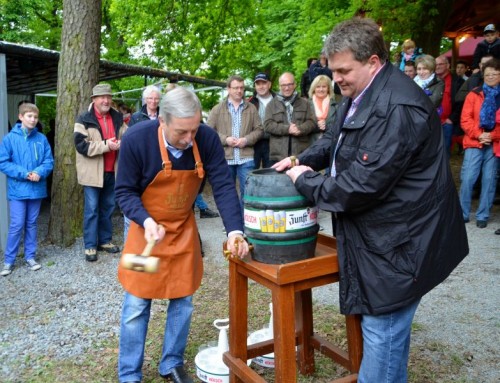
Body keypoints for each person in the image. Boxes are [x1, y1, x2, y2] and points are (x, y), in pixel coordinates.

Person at [273, 18, 468, 382]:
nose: (337, 79)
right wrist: (303, 159)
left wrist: (307, 181)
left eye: (344, 70)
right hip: (384, 241)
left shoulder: (396, 109)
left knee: (383, 332)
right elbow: (335, 140)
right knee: (387, 337)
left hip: (402, 245)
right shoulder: (358, 95)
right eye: (333, 71)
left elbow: (356, 188)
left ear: (374, 62)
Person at [115, 87, 249, 383]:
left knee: (183, 298)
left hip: (182, 230)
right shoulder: (136, 140)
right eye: (182, 132)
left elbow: (224, 186)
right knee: (137, 302)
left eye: (194, 129)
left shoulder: (206, 138)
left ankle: (171, 362)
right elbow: (124, 191)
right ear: (162, 121)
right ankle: (128, 374)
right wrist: (146, 220)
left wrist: (234, 231)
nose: (190, 139)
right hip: (144, 231)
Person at [0, 103, 54, 276]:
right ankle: (9, 260)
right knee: (16, 224)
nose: (33, 119)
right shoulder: (9, 138)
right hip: (18, 189)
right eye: (29, 116)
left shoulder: (41, 139)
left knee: (31, 224)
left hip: (36, 188)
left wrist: (39, 172)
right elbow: (3, 162)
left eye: (35, 117)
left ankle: (30, 257)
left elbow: (49, 161)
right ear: (21, 117)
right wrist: (24, 173)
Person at [74, 83, 123, 262]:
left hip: (112, 170)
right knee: (92, 210)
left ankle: (104, 240)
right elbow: (80, 145)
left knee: (108, 208)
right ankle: (90, 245)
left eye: (108, 97)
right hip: (92, 173)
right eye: (102, 97)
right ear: (94, 100)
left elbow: (126, 136)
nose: (106, 100)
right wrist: (106, 145)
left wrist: (121, 143)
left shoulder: (117, 117)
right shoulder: (83, 119)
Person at [207, 75, 263, 206]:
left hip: (246, 157)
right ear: (228, 89)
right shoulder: (217, 109)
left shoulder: (251, 108)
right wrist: (225, 139)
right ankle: (232, 224)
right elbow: (209, 131)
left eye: (242, 88)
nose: (239, 91)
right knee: (227, 192)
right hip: (225, 157)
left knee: (248, 192)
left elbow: (259, 130)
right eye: (236, 88)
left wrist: (246, 140)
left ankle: (245, 223)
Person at [459, 58, 500, 228]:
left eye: (495, 74)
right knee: (468, 178)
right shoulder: (473, 94)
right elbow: (465, 119)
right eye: (488, 74)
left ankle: (483, 214)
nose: (491, 77)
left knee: (489, 179)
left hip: (495, 143)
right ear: (483, 75)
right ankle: (462, 212)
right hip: (474, 141)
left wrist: (492, 135)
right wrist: (479, 134)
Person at [264, 72, 316, 165]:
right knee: (279, 180)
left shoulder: (305, 103)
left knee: (300, 179)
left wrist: (300, 129)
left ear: (295, 84)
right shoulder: (271, 105)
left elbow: (312, 122)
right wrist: (287, 129)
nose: (287, 88)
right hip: (278, 155)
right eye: (283, 85)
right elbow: (267, 125)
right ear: (279, 86)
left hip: (301, 154)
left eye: (289, 84)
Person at [435, 55, 465, 157]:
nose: (437, 66)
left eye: (440, 64)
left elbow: (462, 102)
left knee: (445, 152)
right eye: (436, 64)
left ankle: (443, 172)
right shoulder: (430, 79)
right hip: (432, 121)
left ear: (447, 65)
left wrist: (452, 119)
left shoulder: (458, 81)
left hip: (447, 122)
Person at [248, 72, 276, 169]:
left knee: (271, 173)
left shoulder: (278, 100)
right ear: (255, 86)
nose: (261, 86)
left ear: (269, 84)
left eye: (263, 83)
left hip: (273, 142)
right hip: (254, 143)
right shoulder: (249, 102)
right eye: (258, 84)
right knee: (252, 172)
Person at [308, 74, 338, 144]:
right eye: (318, 87)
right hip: (309, 144)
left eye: (324, 87)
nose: (321, 89)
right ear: (314, 88)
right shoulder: (306, 104)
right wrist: (316, 126)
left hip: (329, 144)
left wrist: (326, 126)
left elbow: (338, 125)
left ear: (328, 88)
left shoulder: (336, 105)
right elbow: (301, 125)